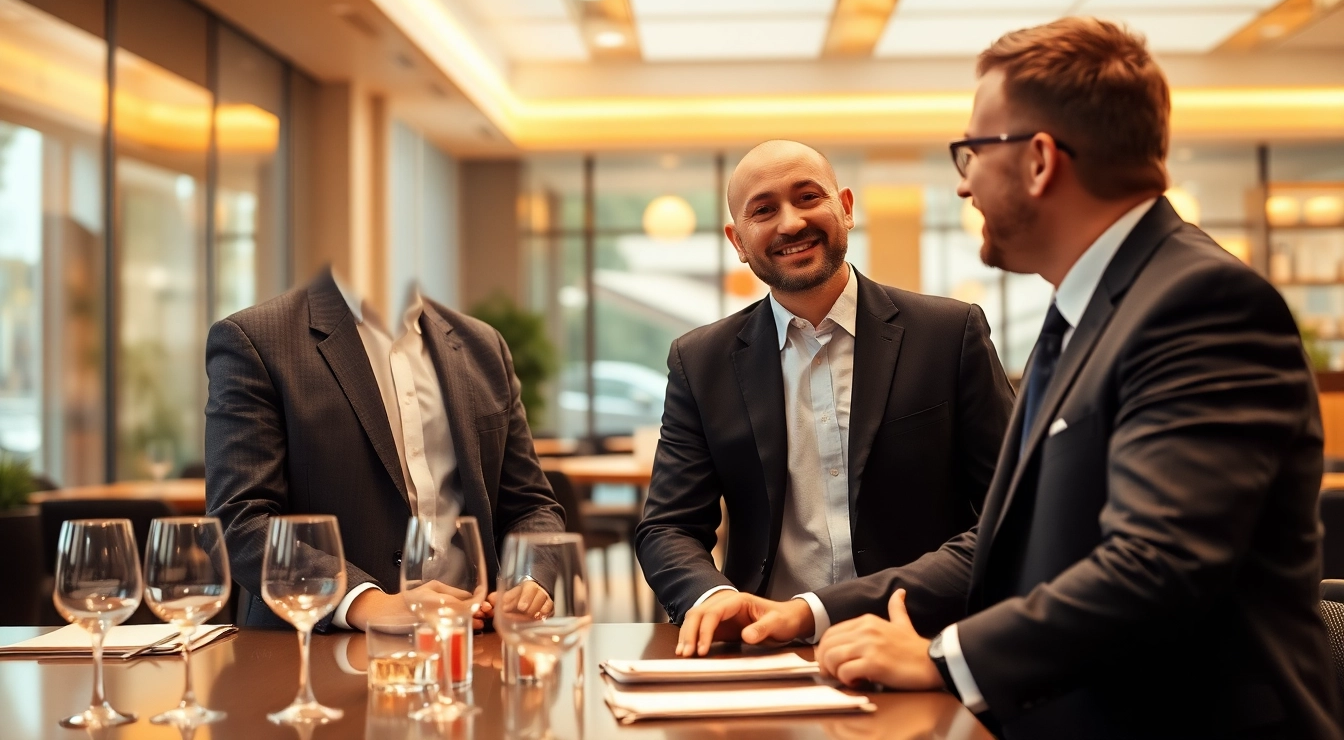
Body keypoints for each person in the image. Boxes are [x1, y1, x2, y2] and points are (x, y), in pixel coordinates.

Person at [688, 18, 1343, 738]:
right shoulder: (1089, 310)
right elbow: (1007, 544)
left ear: (1037, 161)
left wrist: (946, 659)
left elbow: (1159, 566)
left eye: (973, 151)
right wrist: (812, 612)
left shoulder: (1201, 304)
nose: (964, 184)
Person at [636, 139, 1015, 651]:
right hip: (763, 648)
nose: (790, 223)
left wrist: (812, 613)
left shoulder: (949, 334)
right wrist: (709, 597)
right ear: (738, 241)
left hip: (916, 640)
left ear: (847, 208)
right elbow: (668, 526)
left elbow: (1008, 515)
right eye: (764, 210)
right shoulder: (700, 361)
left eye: (808, 197)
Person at [206, 267, 563, 631]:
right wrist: (366, 602)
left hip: (475, 643)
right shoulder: (255, 339)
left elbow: (530, 504)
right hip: (318, 651)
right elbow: (238, 520)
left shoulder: (484, 345)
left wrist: (528, 578)